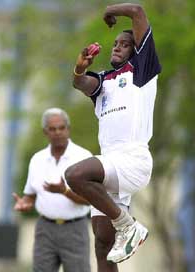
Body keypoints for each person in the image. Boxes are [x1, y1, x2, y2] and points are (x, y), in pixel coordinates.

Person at [64, 3, 162, 272]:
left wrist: (110, 10)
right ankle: (124, 225)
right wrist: (79, 68)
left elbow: (138, 11)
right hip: (111, 166)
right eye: (115, 43)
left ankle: (128, 224)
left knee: (74, 175)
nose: (117, 47)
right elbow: (81, 84)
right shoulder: (105, 79)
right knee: (103, 245)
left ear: (137, 51)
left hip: (132, 159)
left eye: (124, 44)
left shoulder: (143, 70)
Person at [13, 108, 92, 272]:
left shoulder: (83, 157)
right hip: (45, 229)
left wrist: (65, 191)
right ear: (45, 132)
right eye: (52, 129)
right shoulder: (37, 159)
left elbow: (91, 199)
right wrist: (25, 203)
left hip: (75, 229)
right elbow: (30, 195)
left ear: (68, 129)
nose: (58, 132)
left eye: (61, 128)